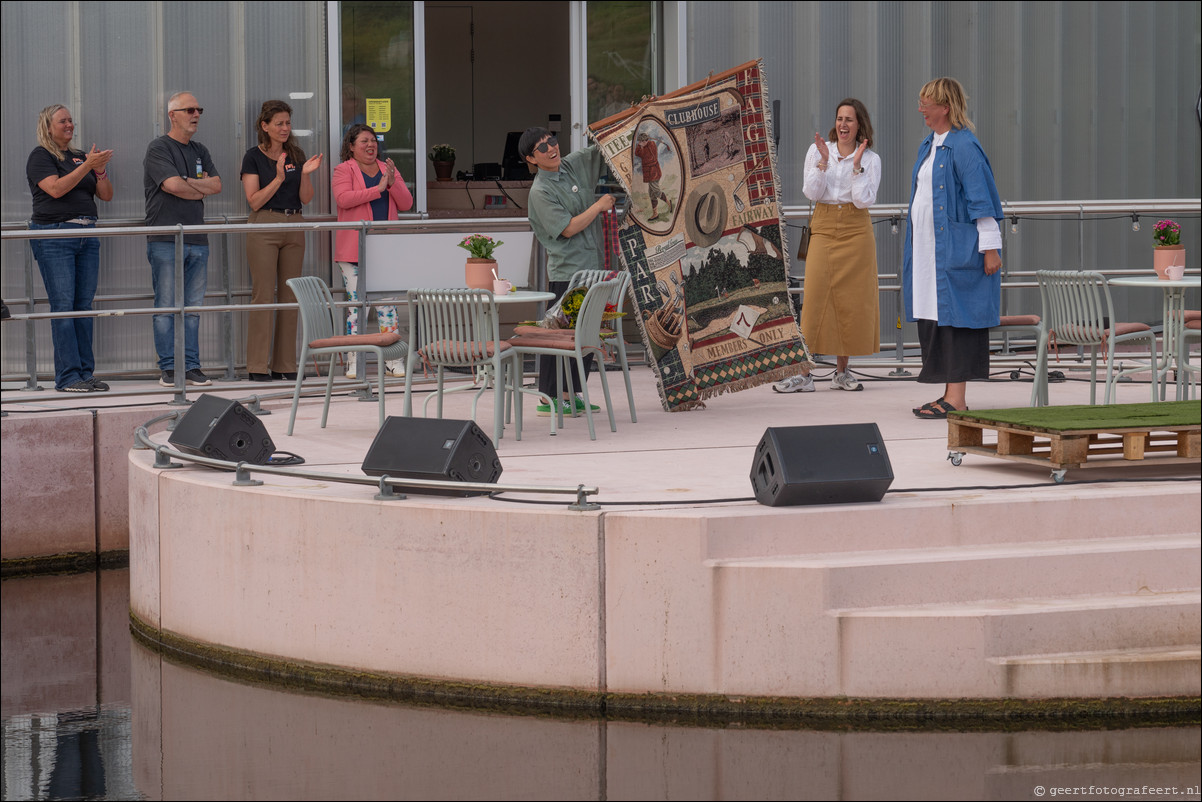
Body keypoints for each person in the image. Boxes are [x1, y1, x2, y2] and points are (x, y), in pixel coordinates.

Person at [904, 77, 1003, 419]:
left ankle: (957, 399)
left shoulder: (964, 146)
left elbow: (982, 198)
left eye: (926, 104)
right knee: (938, 319)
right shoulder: (930, 144)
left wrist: (990, 248)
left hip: (956, 251)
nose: (921, 110)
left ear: (944, 108)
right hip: (930, 253)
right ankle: (949, 393)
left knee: (958, 320)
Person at [774, 98, 881, 395]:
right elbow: (811, 191)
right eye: (839, 119)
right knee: (816, 297)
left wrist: (856, 166)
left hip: (856, 229)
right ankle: (804, 373)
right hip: (823, 225)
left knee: (849, 301)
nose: (843, 124)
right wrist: (823, 162)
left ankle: (842, 372)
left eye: (849, 119)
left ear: (860, 124)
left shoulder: (871, 159)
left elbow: (863, 200)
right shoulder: (819, 151)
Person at [521, 127, 615, 416]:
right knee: (561, 335)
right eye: (542, 148)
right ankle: (551, 397)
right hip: (568, 273)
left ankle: (572, 392)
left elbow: (604, 150)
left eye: (552, 141)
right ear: (531, 159)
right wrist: (598, 205)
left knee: (585, 335)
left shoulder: (573, 164)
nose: (551, 148)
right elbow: (567, 227)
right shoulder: (540, 191)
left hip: (593, 268)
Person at [26, 105, 114, 393]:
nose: (69, 124)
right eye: (63, 121)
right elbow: (55, 189)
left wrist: (98, 170)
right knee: (63, 307)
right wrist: (86, 166)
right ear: (48, 127)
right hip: (55, 235)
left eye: (71, 120)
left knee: (83, 308)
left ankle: (85, 374)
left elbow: (106, 195)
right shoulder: (41, 156)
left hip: (86, 234)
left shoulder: (79, 157)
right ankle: (67, 377)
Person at [240, 100, 324, 382]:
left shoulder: (296, 154)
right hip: (264, 222)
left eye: (288, 122)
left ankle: (284, 364)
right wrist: (277, 177)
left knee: (291, 296)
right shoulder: (252, 157)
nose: (285, 128)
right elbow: (254, 201)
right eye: (279, 123)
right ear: (265, 126)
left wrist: (306, 174)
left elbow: (306, 198)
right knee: (263, 294)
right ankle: (257, 366)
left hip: (294, 222)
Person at [143, 91, 221, 387]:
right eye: (189, 110)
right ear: (172, 114)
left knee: (192, 308)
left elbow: (217, 185)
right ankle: (169, 367)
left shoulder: (200, 150)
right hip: (165, 237)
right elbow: (171, 184)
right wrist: (196, 187)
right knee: (166, 305)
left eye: (199, 109)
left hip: (197, 238)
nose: (196, 114)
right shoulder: (158, 148)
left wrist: (188, 184)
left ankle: (190, 366)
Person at [332, 123, 412, 378]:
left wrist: (390, 183)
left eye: (373, 141)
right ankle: (355, 362)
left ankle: (393, 359)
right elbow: (343, 199)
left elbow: (407, 203)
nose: (370, 145)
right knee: (358, 307)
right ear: (351, 146)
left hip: (385, 248)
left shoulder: (387, 168)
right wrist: (376, 189)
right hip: (353, 249)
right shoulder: (343, 169)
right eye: (364, 141)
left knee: (387, 307)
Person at [633, 132, 672, 221]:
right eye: (639, 142)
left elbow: (640, 154)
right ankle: (655, 214)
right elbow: (637, 152)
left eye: (641, 142)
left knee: (656, 192)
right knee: (652, 195)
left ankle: (669, 203)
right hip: (650, 173)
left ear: (645, 141)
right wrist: (642, 144)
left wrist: (642, 146)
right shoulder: (647, 144)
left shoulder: (650, 147)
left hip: (653, 173)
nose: (639, 143)